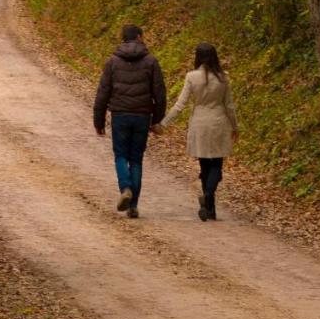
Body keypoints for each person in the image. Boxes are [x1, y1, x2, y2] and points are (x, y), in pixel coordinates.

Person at [158, 42, 238, 221]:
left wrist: (163, 123)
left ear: (198, 57)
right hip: (219, 122)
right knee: (217, 164)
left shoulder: (191, 77)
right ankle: (209, 202)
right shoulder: (224, 77)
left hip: (199, 123)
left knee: (204, 165)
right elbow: (229, 106)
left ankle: (208, 203)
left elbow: (180, 104)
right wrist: (235, 126)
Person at [94, 24, 166, 218]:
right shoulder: (151, 61)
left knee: (120, 155)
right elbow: (159, 93)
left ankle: (125, 188)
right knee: (136, 159)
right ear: (140, 37)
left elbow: (103, 93)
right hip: (142, 115)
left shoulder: (113, 61)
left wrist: (98, 121)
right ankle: (133, 206)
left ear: (122, 38)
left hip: (120, 114)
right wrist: (157, 119)